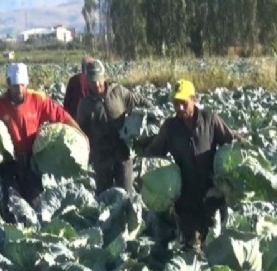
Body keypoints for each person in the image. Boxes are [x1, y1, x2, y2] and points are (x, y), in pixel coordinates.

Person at [0, 62, 86, 220]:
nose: (19, 90)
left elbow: (62, 116)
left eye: (22, 85)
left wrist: (81, 135)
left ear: (26, 83)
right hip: (8, 163)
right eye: (15, 86)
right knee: (12, 205)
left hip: (32, 161)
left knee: (35, 205)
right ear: (8, 83)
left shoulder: (39, 100)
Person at [140, 79, 237, 255]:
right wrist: (148, 175)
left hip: (212, 195)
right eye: (176, 104)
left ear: (194, 99)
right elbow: (154, 153)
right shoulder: (170, 127)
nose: (180, 109)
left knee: (214, 247)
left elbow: (231, 144)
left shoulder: (210, 120)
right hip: (185, 198)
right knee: (191, 248)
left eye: (183, 103)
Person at [76, 59, 153, 195]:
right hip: (102, 157)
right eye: (93, 81)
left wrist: (152, 112)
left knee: (126, 195)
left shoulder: (118, 92)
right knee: (104, 198)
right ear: (87, 81)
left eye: (99, 80)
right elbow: (80, 132)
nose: (97, 84)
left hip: (123, 153)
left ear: (104, 76)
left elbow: (138, 101)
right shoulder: (85, 105)